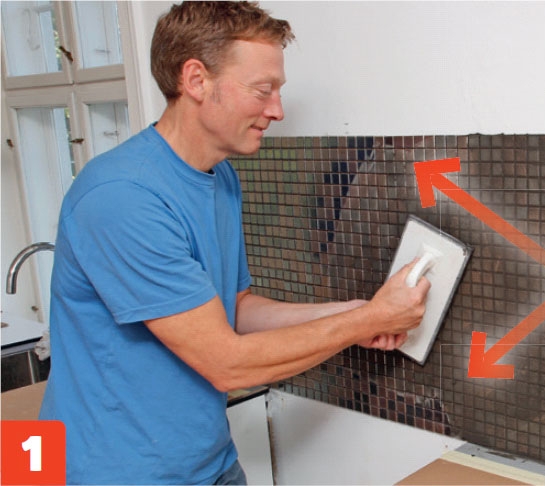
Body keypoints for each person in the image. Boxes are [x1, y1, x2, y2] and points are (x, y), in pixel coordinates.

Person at [38, 2, 430, 484]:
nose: (277, 110)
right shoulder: (122, 197)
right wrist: (366, 322)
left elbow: (236, 309)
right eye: (263, 90)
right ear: (196, 80)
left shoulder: (220, 177)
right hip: (112, 472)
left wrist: (351, 313)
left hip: (208, 461)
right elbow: (226, 364)